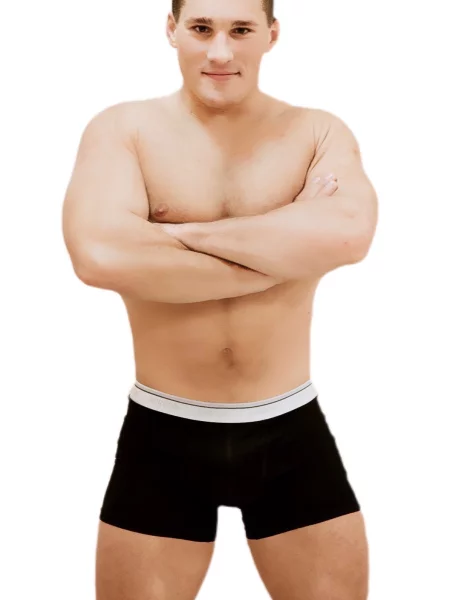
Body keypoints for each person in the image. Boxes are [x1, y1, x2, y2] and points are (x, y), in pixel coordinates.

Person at [62, 0, 378, 597]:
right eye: (202, 28)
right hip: (163, 432)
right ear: (172, 30)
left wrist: (171, 235)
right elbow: (99, 256)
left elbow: (348, 235)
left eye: (241, 30)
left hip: (289, 429)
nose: (220, 52)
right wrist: (284, 246)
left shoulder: (317, 131)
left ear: (272, 35)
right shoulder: (124, 130)